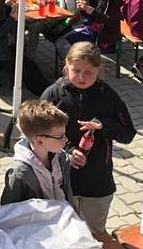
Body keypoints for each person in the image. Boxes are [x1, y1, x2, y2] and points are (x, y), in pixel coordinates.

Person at [42, 43, 136, 233]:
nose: (82, 77)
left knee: (94, 233)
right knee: (62, 231)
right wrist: (67, 149)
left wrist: (104, 125)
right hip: (60, 179)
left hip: (97, 180)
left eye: (89, 72)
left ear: (99, 70)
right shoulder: (54, 94)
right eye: (76, 70)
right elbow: (38, 133)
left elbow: (128, 135)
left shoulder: (108, 97)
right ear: (66, 65)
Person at [1, 100, 73, 205]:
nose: (65, 140)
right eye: (60, 137)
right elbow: (8, 210)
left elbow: (68, 196)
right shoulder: (19, 173)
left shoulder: (62, 159)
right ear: (39, 140)